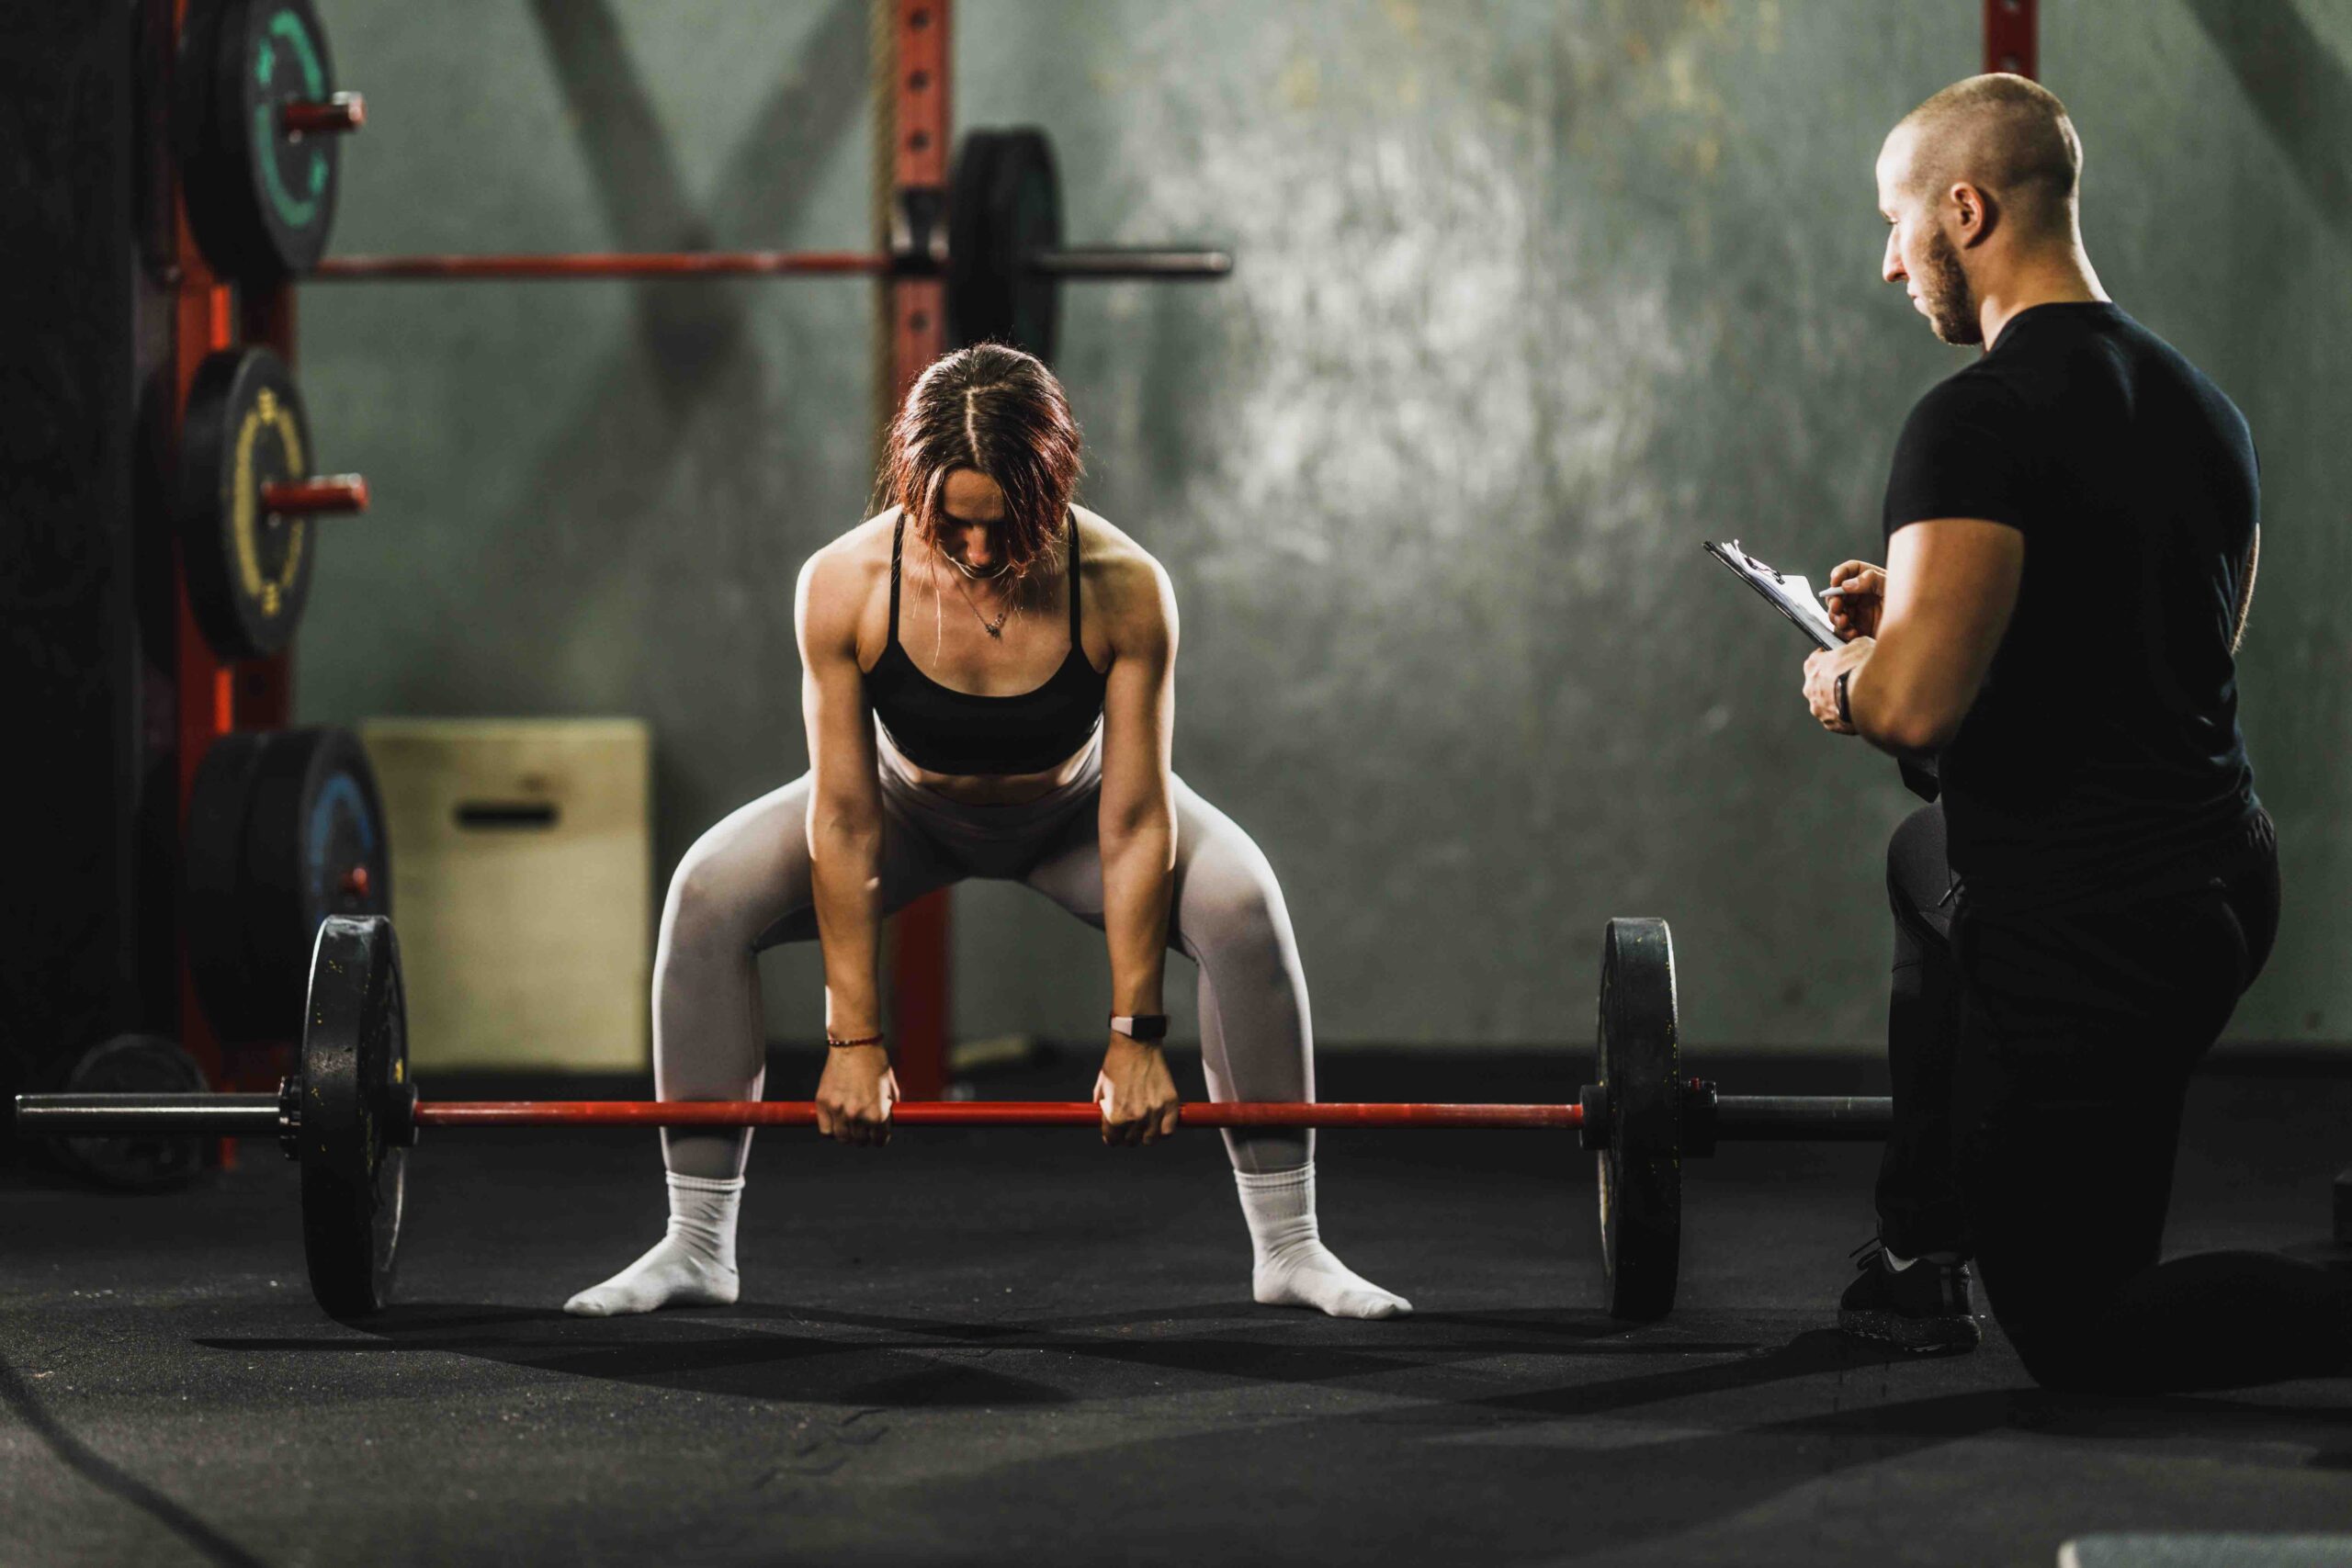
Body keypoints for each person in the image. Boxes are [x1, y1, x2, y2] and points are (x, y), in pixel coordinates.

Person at [566, 344, 1409, 1322]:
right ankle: (695, 1246)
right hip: (903, 810)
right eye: (950, 524)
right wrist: (854, 1036)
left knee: (1243, 904)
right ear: (914, 491)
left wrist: (1136, 1035)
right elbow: (840, 818)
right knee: (705, 891)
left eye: (1001, 524)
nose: (974, 551)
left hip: (1075, 818)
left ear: (1048, 487)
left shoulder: (1125, 587)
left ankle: (1291, 1250)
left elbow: (1136, 820)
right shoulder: (843, 584)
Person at [1803, 73, 2350, 1390]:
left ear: (1967, 208)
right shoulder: (2202, 406)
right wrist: (1932, 603)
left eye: (1896, 224)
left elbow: (1917, 710)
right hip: (2220, 883)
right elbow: (2156, 654)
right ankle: (1919, 1247)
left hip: (2095, 931)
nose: (1890, 264)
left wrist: (1853, 671)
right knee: (1925, 862)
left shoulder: (1971, 420)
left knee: (2081, 1329)